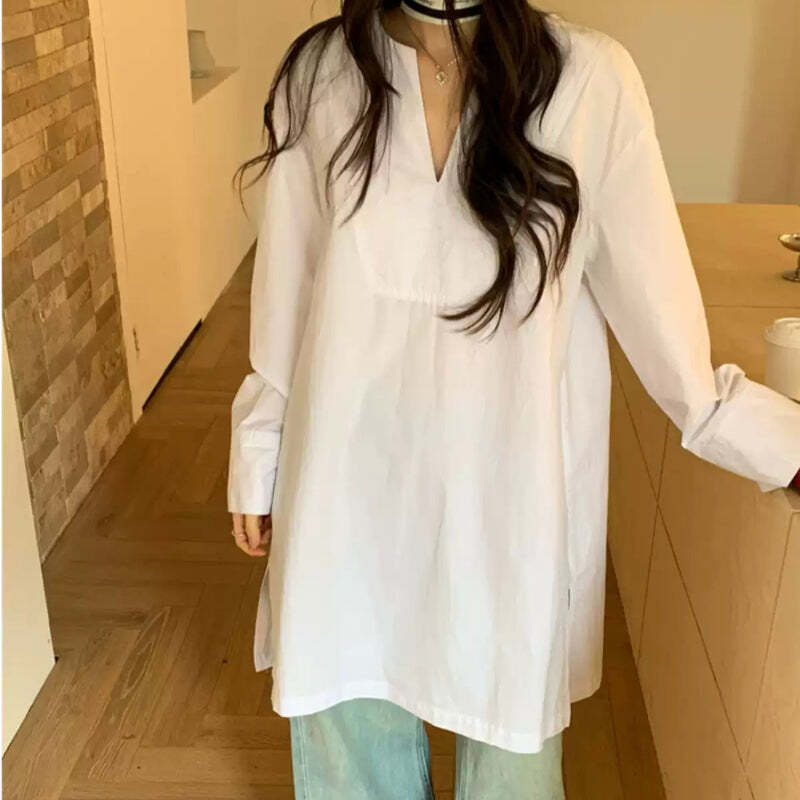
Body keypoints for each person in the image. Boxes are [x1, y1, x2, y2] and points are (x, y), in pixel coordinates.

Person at [226, 1, 800, 797]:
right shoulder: (321, 74)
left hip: (509, 508)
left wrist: (775, 445)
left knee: (512, 761)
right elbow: (287, 293)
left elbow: (668, 333)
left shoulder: (590, 82)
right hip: (341, 497)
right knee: (347, 732)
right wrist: (260, 452)